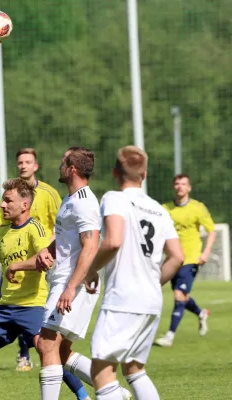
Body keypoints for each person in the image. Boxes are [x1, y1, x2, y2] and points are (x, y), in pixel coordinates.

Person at [12, 147, 130, 399]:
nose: (59, 167)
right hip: (64, 280)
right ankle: (115, 392)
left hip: (72, 283)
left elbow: (90, 246)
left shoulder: (85, 202)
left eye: (62, 163)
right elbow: (65, 243)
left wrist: (70, 287)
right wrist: (41, 254)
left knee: (46, 343)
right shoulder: (70, 200)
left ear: (72, 169)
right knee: (61, 351)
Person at [0, 178, 89, 400]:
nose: (2, 205)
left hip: (33, 306)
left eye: (8, 201)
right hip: (5, 307)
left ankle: (83, 395)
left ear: (24, 205)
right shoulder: (1, 234)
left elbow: (45, 260)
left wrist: (19, 265)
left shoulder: (35, 229)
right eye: (3, 200)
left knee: (48, 351)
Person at [84, 146, 184, 400]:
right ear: (145, 174)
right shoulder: (160, 210)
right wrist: (152, 282)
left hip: (123, 299)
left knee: (102, 370)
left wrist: (90, 270)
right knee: (134, 368)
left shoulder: (114, 199)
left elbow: (113, 241)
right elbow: (177, 257)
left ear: (115, 172)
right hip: (150, 300)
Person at [0, 148, 62, 373]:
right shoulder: (8, 197)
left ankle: (52, 351)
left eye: (28, 162)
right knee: (15, 303)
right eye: (20, 162)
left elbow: (60, 224)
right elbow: (4, 228)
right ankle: (24, 354)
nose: (23, 165)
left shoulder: (49, 193)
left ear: (36, 166)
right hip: (17, 256)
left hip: (44, 257)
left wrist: (46, 248)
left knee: (37, 306)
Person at [155, 174, 215, 347]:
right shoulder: (165, 208)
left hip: (191, 259)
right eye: (177, 183)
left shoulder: (197, 207)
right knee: (183, 296)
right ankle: (201, 313)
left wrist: (205, 253)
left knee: (178, 295)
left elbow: (211, 231)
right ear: (173, 187)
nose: (180, 186)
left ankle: (170, 336)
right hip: (172, 260)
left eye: (183, 184)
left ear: (189, 188)